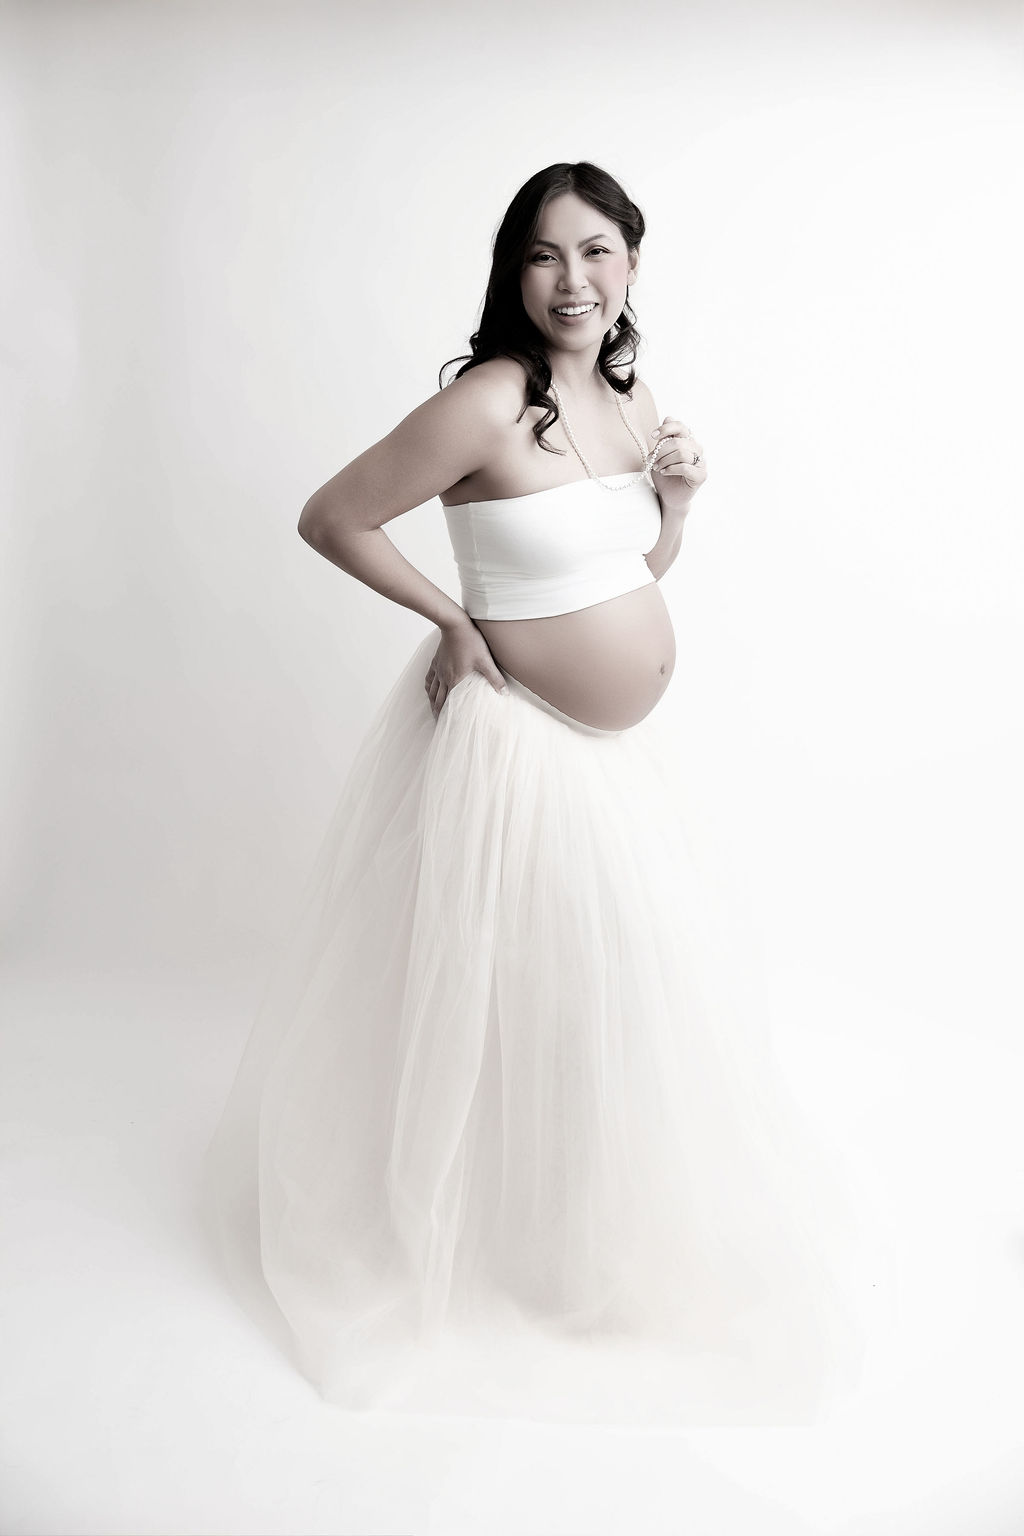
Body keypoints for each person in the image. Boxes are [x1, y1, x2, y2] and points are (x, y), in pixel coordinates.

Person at [202, 162, 862, 1424]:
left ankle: (588, 1245)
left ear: (632, 267)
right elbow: (331, 515)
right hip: (518, 746)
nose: (575, 280)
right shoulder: (491, 406)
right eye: (548, 256)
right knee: (530, 990)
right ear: (515, 274)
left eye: (599, 251)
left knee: (623, 990)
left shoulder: (628, 401)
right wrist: (450, 621)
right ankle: (492, 1250)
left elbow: (634, 562)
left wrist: (674, 506)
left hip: (612, 760)